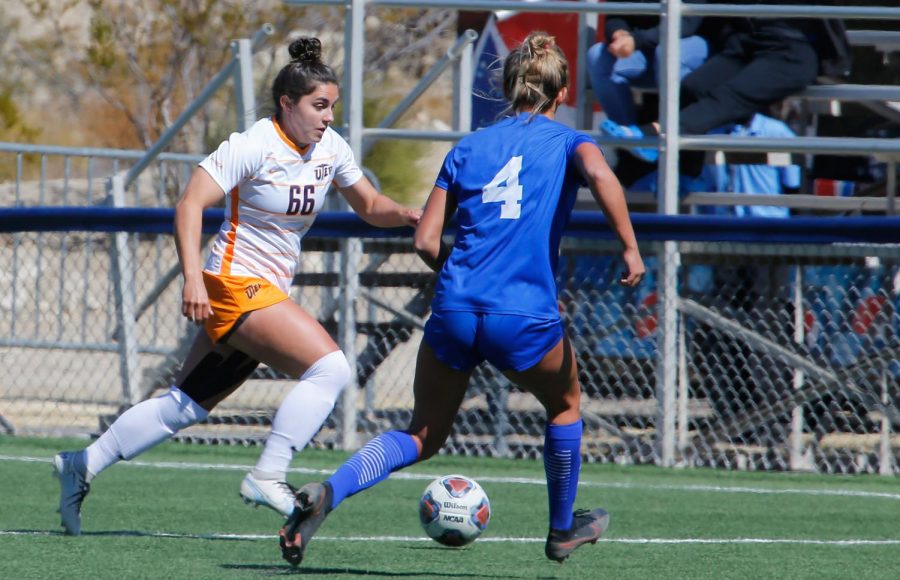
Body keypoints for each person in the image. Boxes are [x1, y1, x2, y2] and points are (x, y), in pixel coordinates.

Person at [276, 31, 646, 567]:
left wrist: (463, 278)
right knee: (564, 406)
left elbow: (425, 240)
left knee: (422, 432)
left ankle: (328, 493)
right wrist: (630, 248)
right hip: (522, 312)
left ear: (506, 88)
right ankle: (563, 529)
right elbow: (601, 175)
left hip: (453, 308)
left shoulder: (468, 147)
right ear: (560, 94)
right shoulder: (571, 142)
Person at [51, 37, 421, 535]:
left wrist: (410, 215)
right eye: (318, 105)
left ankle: (83, 462)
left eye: (333, 106)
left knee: (185, 404)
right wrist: (191, 279)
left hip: (264, 291)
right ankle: (269, 474)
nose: (328, 116)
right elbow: (189, 204)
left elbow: (370, 206)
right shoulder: (253, 144)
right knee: (330, 368)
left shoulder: (330, 148)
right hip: (232, 283)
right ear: (287, 104)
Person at [601, 1, 850, 173]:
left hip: (790, 50)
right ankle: (684, 173)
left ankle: (652, 134)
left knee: (728, 96)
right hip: (746, 43)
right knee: (691, 88)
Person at [586, 0, 709, 139]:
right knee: (596, 57)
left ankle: (679, 137)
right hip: (645, 49)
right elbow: (616, 14)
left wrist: (636, 40)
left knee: (667, 52)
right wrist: (619, 34)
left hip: (698, 47)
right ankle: (629, 136)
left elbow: (687, 23)